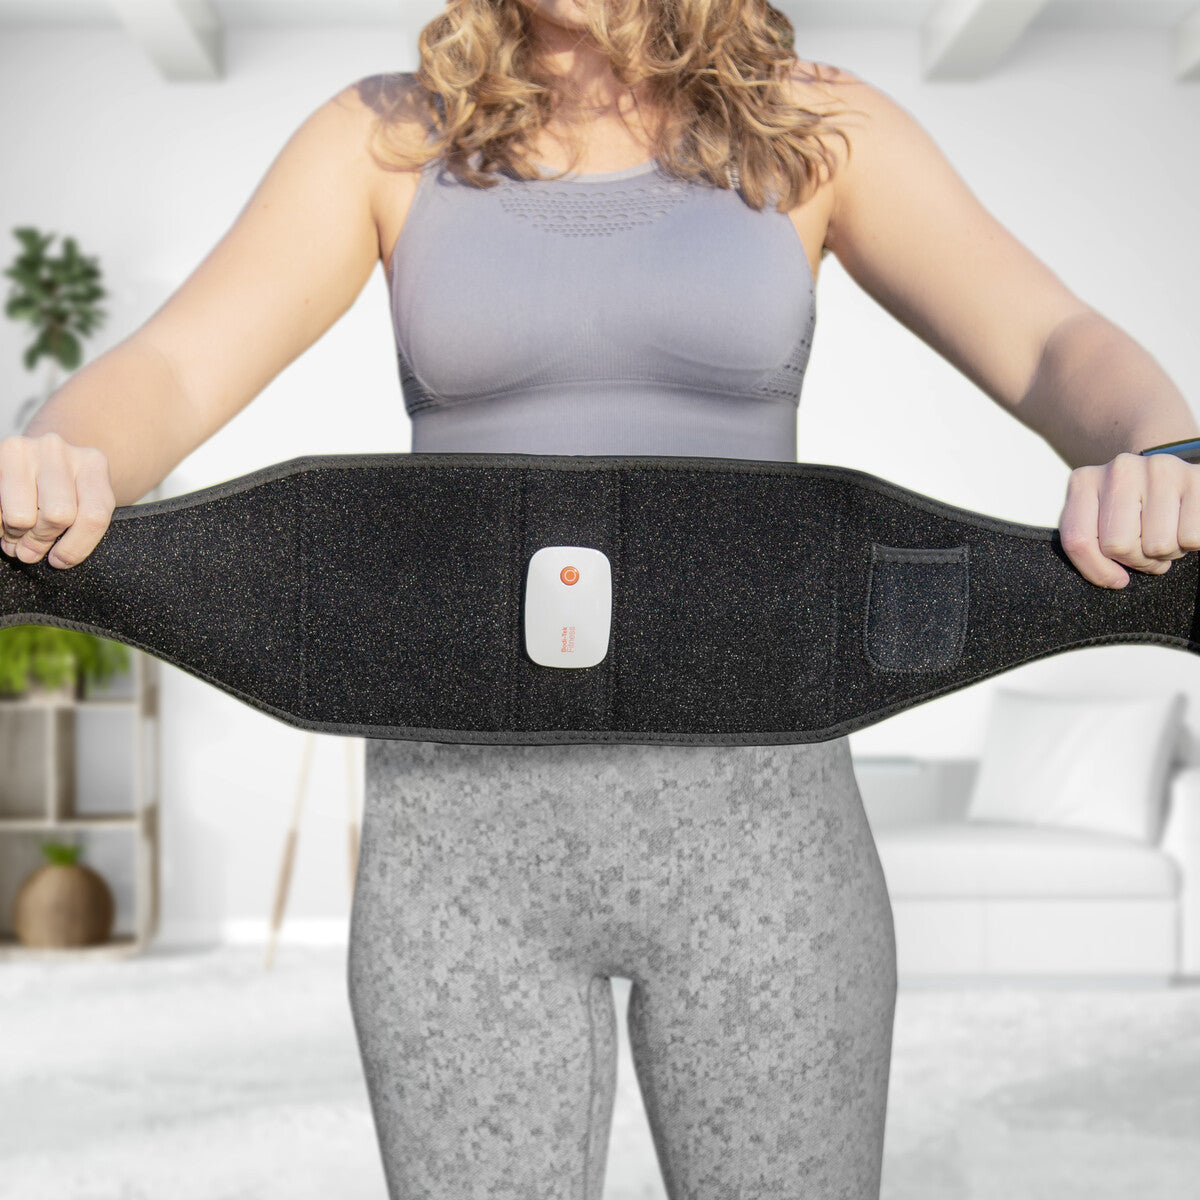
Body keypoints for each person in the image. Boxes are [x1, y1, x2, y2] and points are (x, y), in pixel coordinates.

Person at [5, 1, 1197, 1196]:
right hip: (459, 848)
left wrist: (1162, 454)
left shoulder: (817, 128)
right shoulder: (384, 137)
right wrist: (56, 452)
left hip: (761, 839)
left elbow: (1053, 344)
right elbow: (168, 368)